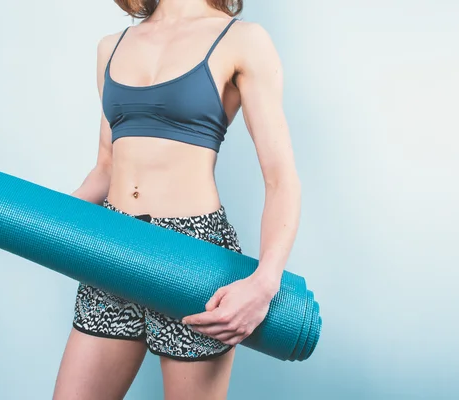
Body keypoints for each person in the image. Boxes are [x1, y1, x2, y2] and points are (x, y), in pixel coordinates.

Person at [53, 0, 301, 398]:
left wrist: (264, 282)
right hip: (112, 243)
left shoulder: (242, 40)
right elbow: (105, 169)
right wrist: (45, 223)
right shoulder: (110, 47)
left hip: (192, 257)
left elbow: (280, 179)